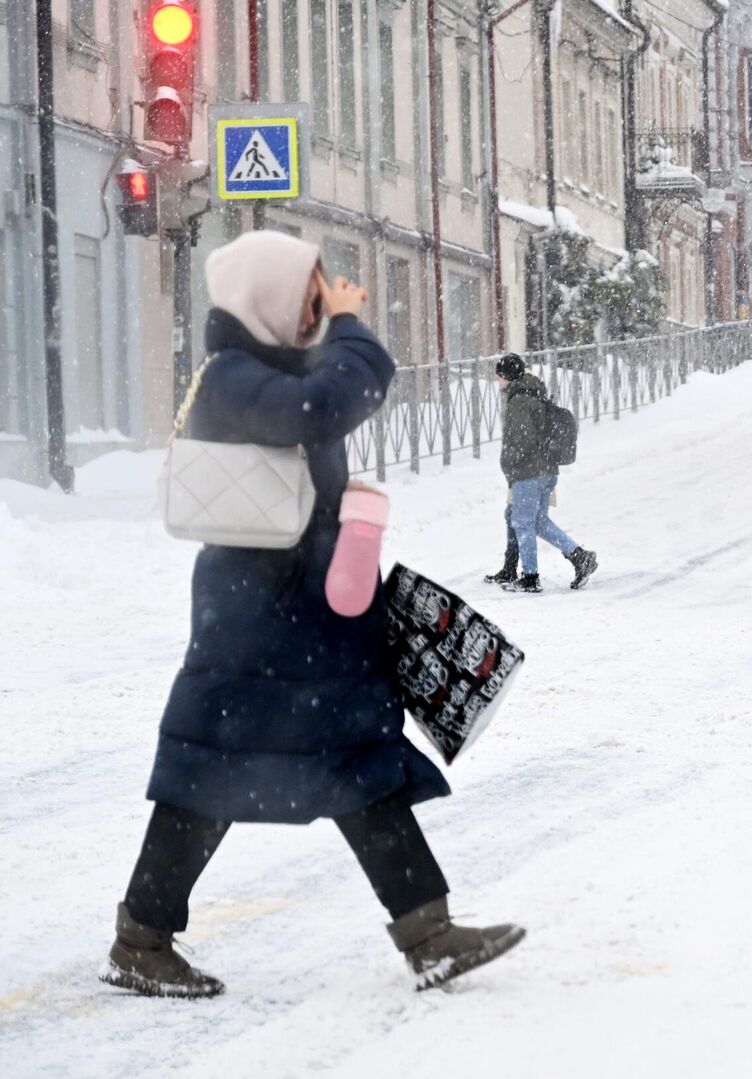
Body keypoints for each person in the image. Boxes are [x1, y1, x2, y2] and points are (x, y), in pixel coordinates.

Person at [106, 231, 523, 999]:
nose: (320, 304)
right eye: (310, 291)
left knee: (359, 769)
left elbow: (322, 419)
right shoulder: (236, 379)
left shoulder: (259, 372)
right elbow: (332, 401)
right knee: (208, 779)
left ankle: (427, 933)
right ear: (267, 295)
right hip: (257, 624)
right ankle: (141, 938)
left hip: (302, 618)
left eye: (324, 292)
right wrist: (351, 327)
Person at [496, 354, 597, 592]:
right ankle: (580, 557)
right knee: (538, 523)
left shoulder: (519, 401)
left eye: (499, 376)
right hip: (547, 469)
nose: (497, 381)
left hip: (529, 472)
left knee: (522, 523)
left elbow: (522, 440)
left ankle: (530, 578)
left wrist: (510, 465)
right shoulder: (534, 393)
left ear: (508, 377)